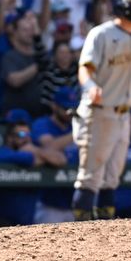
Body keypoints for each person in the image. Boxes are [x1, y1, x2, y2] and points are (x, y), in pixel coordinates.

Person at [72, 0, 131, 221]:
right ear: (123, 5)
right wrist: (90, 86)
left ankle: (105, 242)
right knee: (91, 175)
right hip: (99, 112)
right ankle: (80, 236)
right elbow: (85, 68)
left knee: (112, 176)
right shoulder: (101, 33)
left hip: (124, 115)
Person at [0, 120, 65, 227]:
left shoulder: (34, 150)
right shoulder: (0, 153)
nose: (26, 138)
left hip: (24, 225)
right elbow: (28, 159)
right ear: (10, 138)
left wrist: (34, 150)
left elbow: (60, 160)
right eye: (21, 134)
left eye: (29, 135)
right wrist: (37, 154)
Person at [32, 86, 80, 224]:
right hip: (50, 202)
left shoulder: (74, 125)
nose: (68, 112)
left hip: (75, 202)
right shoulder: (42, 124)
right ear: (54, 106)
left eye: (72, 108)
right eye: (65, 108)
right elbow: (49, 146)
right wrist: (77, 133)